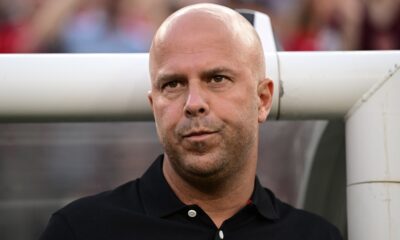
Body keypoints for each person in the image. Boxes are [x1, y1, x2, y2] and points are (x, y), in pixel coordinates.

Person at [39, 3, 343, 240]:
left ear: (262, 100)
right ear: (154, 106)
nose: (194, 103)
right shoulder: (81, 231)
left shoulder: (316, 236)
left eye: (217, 79)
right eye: (173, 84)